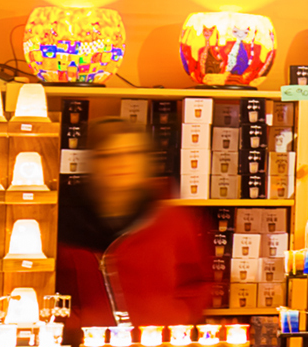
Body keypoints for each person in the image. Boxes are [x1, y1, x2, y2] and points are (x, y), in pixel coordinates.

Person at [56, 115, 222, 328]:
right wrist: (77, 323)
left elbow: (198, 283)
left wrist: (177, 316)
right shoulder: (65, 222)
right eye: (109, 155)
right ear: (94, 162)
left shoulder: (173, 221)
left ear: (145, 160)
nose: (121, 163)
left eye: (132, 154)